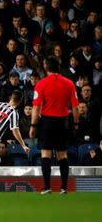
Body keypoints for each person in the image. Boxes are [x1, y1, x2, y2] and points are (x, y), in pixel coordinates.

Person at [29, 57, 79, 195]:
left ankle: (47, 187)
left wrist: (33, 125)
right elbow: (75, 107)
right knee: (62, 154)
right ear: (59, 67)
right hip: (63, 122)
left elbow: (36, 107)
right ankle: (64, 188)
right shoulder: (69, 83)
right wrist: (75, 124)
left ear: (46, 67)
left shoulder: (41, 84)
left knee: (46, 153)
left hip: (47, 122)